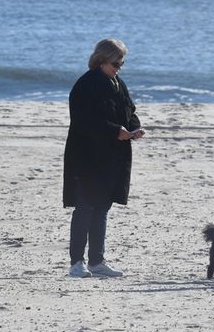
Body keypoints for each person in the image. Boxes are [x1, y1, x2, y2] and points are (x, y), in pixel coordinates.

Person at [63, 38, 145, 278]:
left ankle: (97, 261)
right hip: (87, 157)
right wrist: (115, 131)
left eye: (121, 63)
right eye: (116, 63)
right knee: (85, 208)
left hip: (112, 157)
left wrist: (134, 128)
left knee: (102, 208)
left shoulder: (117, 83)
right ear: (101, 60)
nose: (119, 67)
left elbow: (130, 111)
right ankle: (76, 263)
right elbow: (84, 121)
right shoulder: (85, 85)